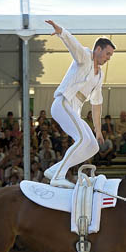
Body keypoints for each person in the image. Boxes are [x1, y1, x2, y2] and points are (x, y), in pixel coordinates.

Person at [43, 19, 115, 189]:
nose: (108, 58)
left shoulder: (99, 75)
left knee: (92, 146)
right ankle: (58, 176)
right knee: (82, 138)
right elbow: (73, 45)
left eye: (110, 56)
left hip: (74, 110)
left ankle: (54, 170)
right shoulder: (85, 56)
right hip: (62, 103)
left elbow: (97, 103)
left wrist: (97, 130)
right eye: (107, 54)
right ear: (98, 49)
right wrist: (61, 32)